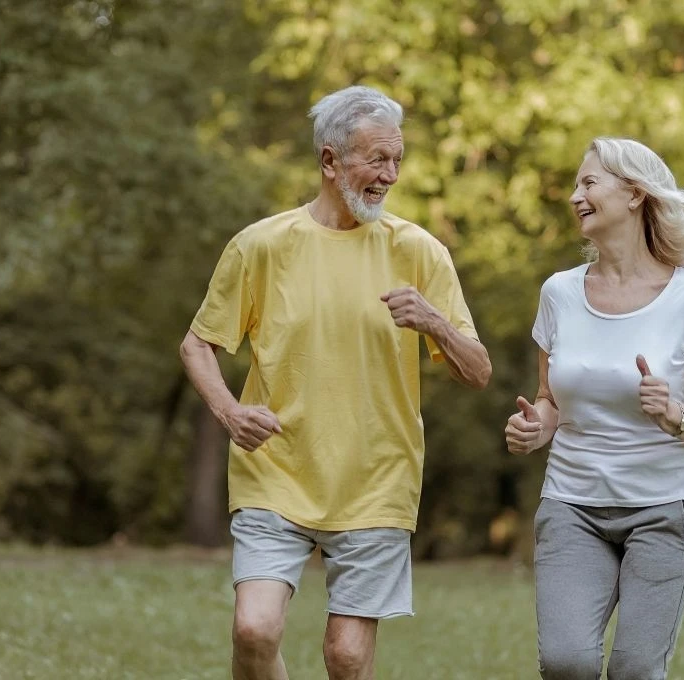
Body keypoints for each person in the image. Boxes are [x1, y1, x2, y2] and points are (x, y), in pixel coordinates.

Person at [179, 85, 492, 680]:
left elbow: (478, 371)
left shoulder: (420, 251)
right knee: (254, 631)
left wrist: (436, 325)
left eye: (397, 160)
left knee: (346, 658)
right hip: (276, 472)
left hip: (377, 478)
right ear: (329, 161)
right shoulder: (261, 246)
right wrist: (229, 412)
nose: (390, 175)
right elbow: (197, 343)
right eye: (377, 159)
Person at [504, 137, 684, 680]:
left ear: (634, 193)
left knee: (635, 670)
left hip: (666, 508)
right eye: (576, 185)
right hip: (572, 503)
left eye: (588, 183)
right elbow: (550, 401)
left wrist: (675, 413)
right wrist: (533, 429)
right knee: (566, 663)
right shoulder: (559, 293)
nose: (574, 196)